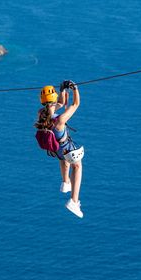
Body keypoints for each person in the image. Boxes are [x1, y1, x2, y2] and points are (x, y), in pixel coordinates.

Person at [36, 81, 84, 218]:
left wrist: (63, 90)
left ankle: (65, 182)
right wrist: (75, 89)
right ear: (53, 99)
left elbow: (61, 103)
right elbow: (76, 104)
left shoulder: (41, 114)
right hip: (66, 148)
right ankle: (74, 201)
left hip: (56, 149)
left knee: (63, 159)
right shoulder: (60, 120)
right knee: (78, 166)